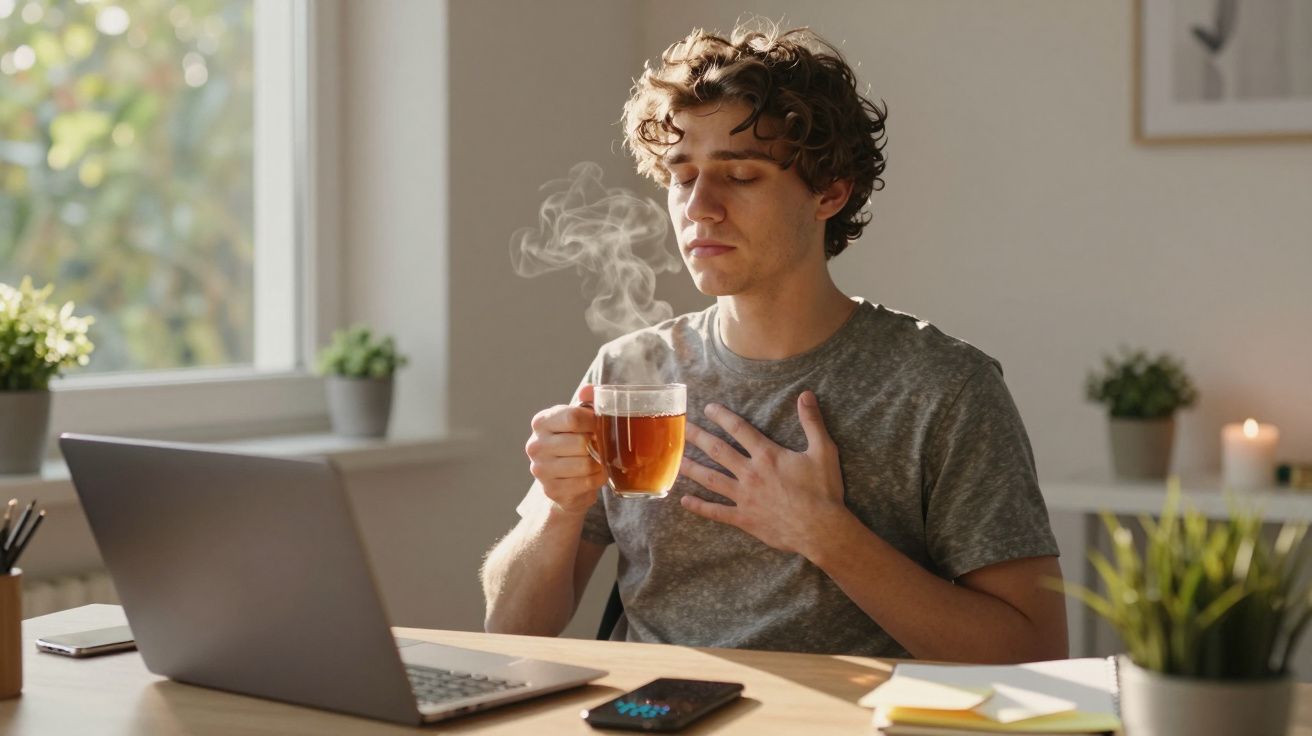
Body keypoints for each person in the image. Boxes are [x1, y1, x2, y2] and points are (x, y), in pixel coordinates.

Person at [480, 22, 1068, 662]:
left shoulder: (944, 388)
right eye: (682, 176)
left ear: (830, 192)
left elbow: (1034, 650)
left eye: (740, 175)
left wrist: (827, 536)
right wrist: (559, 509)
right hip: (652, 708)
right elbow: (510, 630)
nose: (699, 207)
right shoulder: (628, 370)